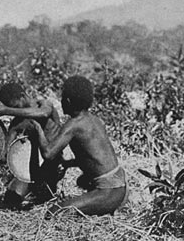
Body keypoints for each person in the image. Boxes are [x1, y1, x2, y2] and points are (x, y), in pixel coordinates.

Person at [29, 75, 128, 216]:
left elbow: (48, 153)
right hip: (119, 185)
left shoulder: (73, 125)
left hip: (109, 191)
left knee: (55, 211)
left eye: (62, 98)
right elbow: (93, 157)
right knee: (81, 181)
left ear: (67, 101)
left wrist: (37, 128)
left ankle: (103, 204)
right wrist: (68, 164)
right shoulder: (95, 120)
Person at [0, 83, 63, 210]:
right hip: (33, 167)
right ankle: (33, 189)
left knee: (45, 194)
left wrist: (6, 110)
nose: (15, 112)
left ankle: (42, 189)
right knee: (12, 198)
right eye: (11, 108)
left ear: (23, 96)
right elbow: (7, 153)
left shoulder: (43, 104)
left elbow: (44, 113)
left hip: (55, 163)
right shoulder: (17, 123)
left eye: (15, 107)